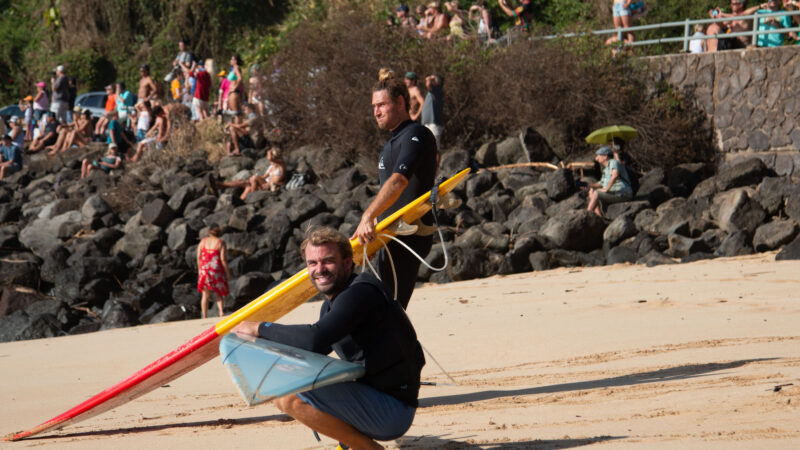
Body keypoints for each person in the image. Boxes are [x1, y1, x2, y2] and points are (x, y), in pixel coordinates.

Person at [231, 227, 425, 448]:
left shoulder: (359, 294)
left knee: (287, 397)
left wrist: (260, 328)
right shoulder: (334, 303)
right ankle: (348, 442)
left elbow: (315, 338)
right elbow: (315, 351)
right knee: (292, 381)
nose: (319, 269)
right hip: (379, 399)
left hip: (392, 409)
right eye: (312, 263)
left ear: (347, 262)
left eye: (328, 261)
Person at [353, 77, 437, 310]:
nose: (376, 112)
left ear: (400, 102)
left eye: (381, 105)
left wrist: (367, 216)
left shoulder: (416, 135)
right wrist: (371, 233)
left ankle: (404, 347)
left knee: (390, 311)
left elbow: (398, 182)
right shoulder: (390, 145)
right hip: (390, 236)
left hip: (410, 234)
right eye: (373, 107)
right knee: (387, 310)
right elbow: (388, 195)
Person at [584, 146, 633, 217]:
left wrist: (606, 189)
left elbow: (615, 175)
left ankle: (587, 215)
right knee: (592, 191)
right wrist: (589, 186)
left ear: (605, 156)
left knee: (596, 193)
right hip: (615, 192)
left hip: (622, 192)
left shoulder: (613, 162)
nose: (596, 158)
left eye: (599, 155)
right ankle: (599, 216)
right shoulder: (605, 169)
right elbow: (601, 183)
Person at [196, 224, 229, 319]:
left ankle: (205, 315)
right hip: (216, 269)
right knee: (219, 293)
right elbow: (223, 259)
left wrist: (200, 269)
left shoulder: (203, 241)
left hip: (204, 269)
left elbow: (198, 256)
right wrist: (227, 273)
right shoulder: (221, 243)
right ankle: (221, 312)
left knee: (205, 294)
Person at [420, 73, 444, 151]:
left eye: (434, 79)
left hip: (434, 124)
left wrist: (429, 78)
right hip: (427, 123)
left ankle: (436, 163)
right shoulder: (432, 92)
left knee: (435, 148)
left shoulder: (438, 91)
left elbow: (428, 84)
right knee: (427, 147)